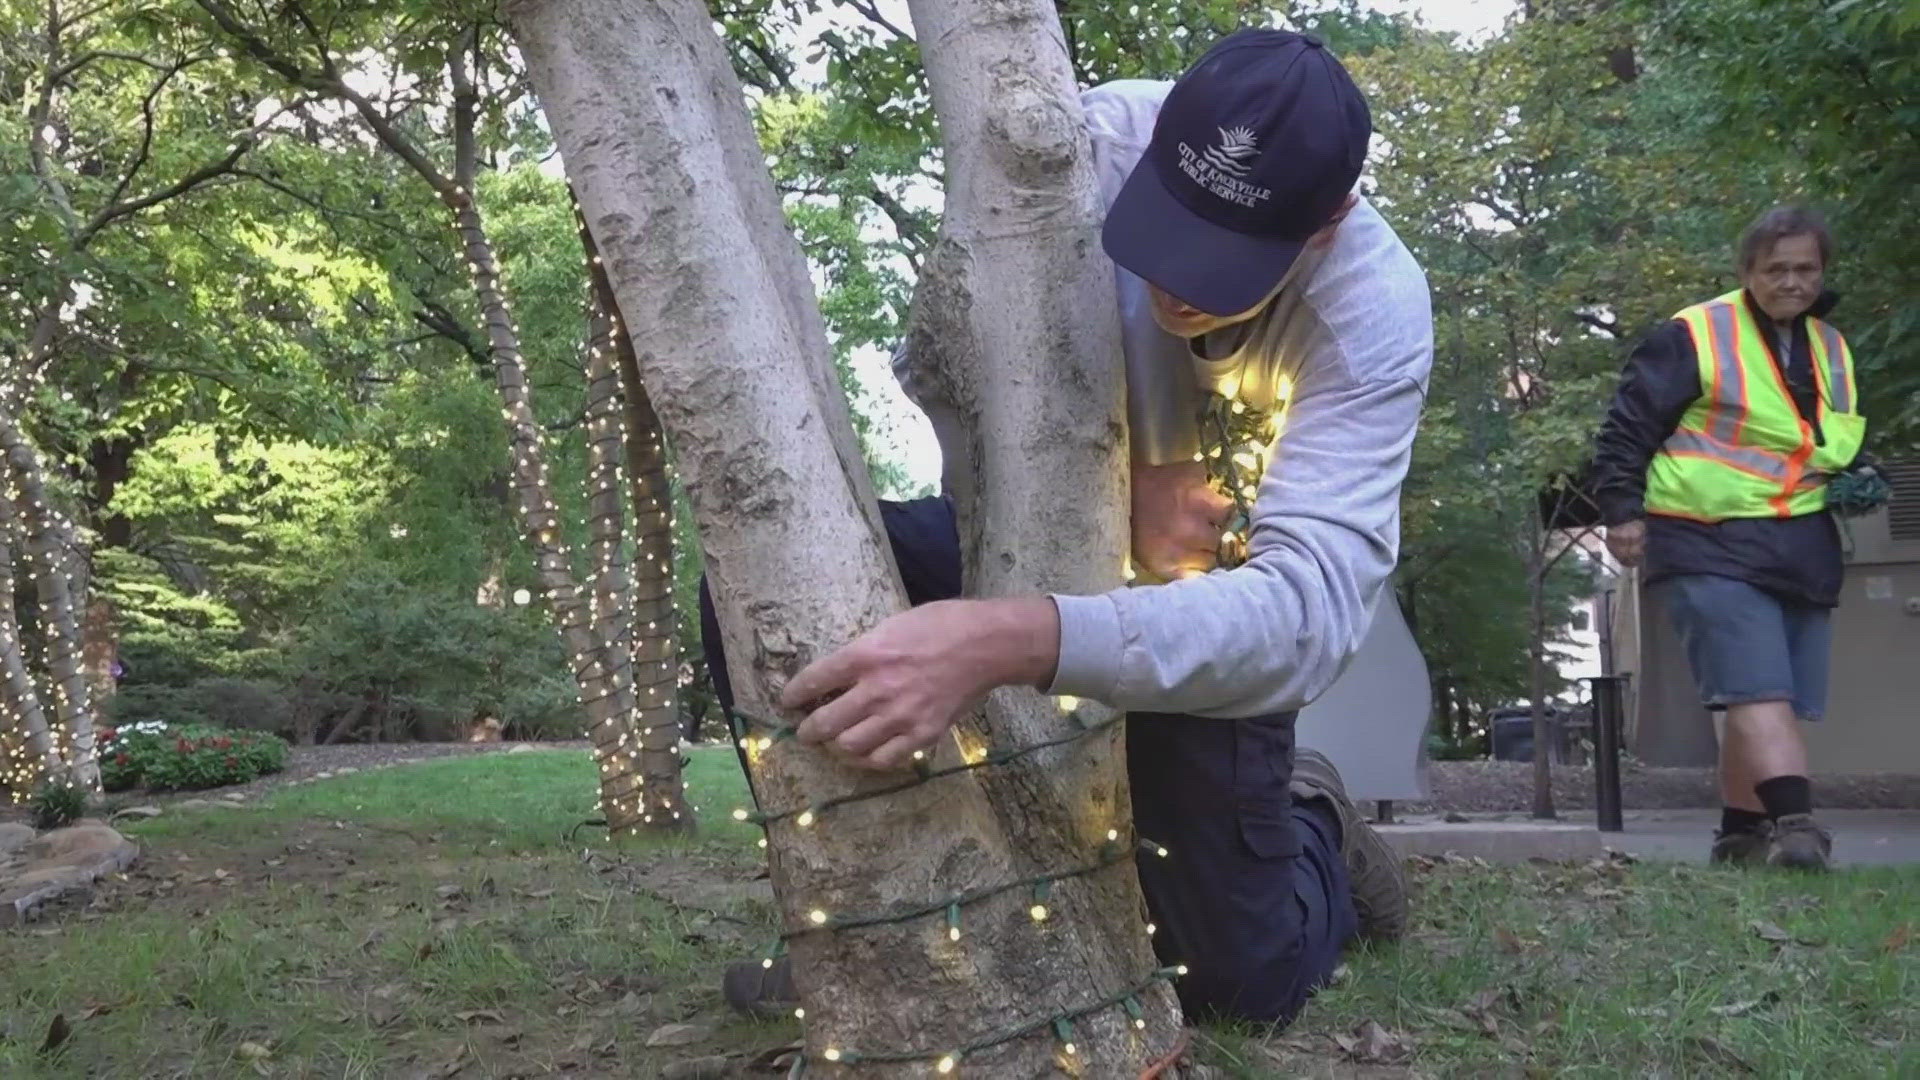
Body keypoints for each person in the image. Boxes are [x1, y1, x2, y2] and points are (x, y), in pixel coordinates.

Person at [709, 27, 1433, 1025]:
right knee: (764, 595)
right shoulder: (1074, 144)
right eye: (1172, 225)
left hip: (1205, 611)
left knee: (1233, 982)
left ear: (1326, 225)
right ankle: (883, 922)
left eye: (1225, 258)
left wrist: (1009, 636)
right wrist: (1049, 522)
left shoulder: (1372, 313)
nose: (1179, 279)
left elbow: (1305, 620)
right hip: (1007, 538)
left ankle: (1318, 826)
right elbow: (937, 360)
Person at [1592, 204, 1877, 872]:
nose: (1791, 282)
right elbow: (1626, 427)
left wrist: (1858, 473)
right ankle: (1798, 829)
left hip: (1799, 537)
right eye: (1775, 269)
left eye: (1805, 269)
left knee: (1778, 700)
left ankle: (1739, 835)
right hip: (1703, 534)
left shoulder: (1830, 346)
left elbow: (1822, 437)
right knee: (1757, 691)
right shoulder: (1695, 334)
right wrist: (1623, 512)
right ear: (1747, 271)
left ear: (1822, 273)